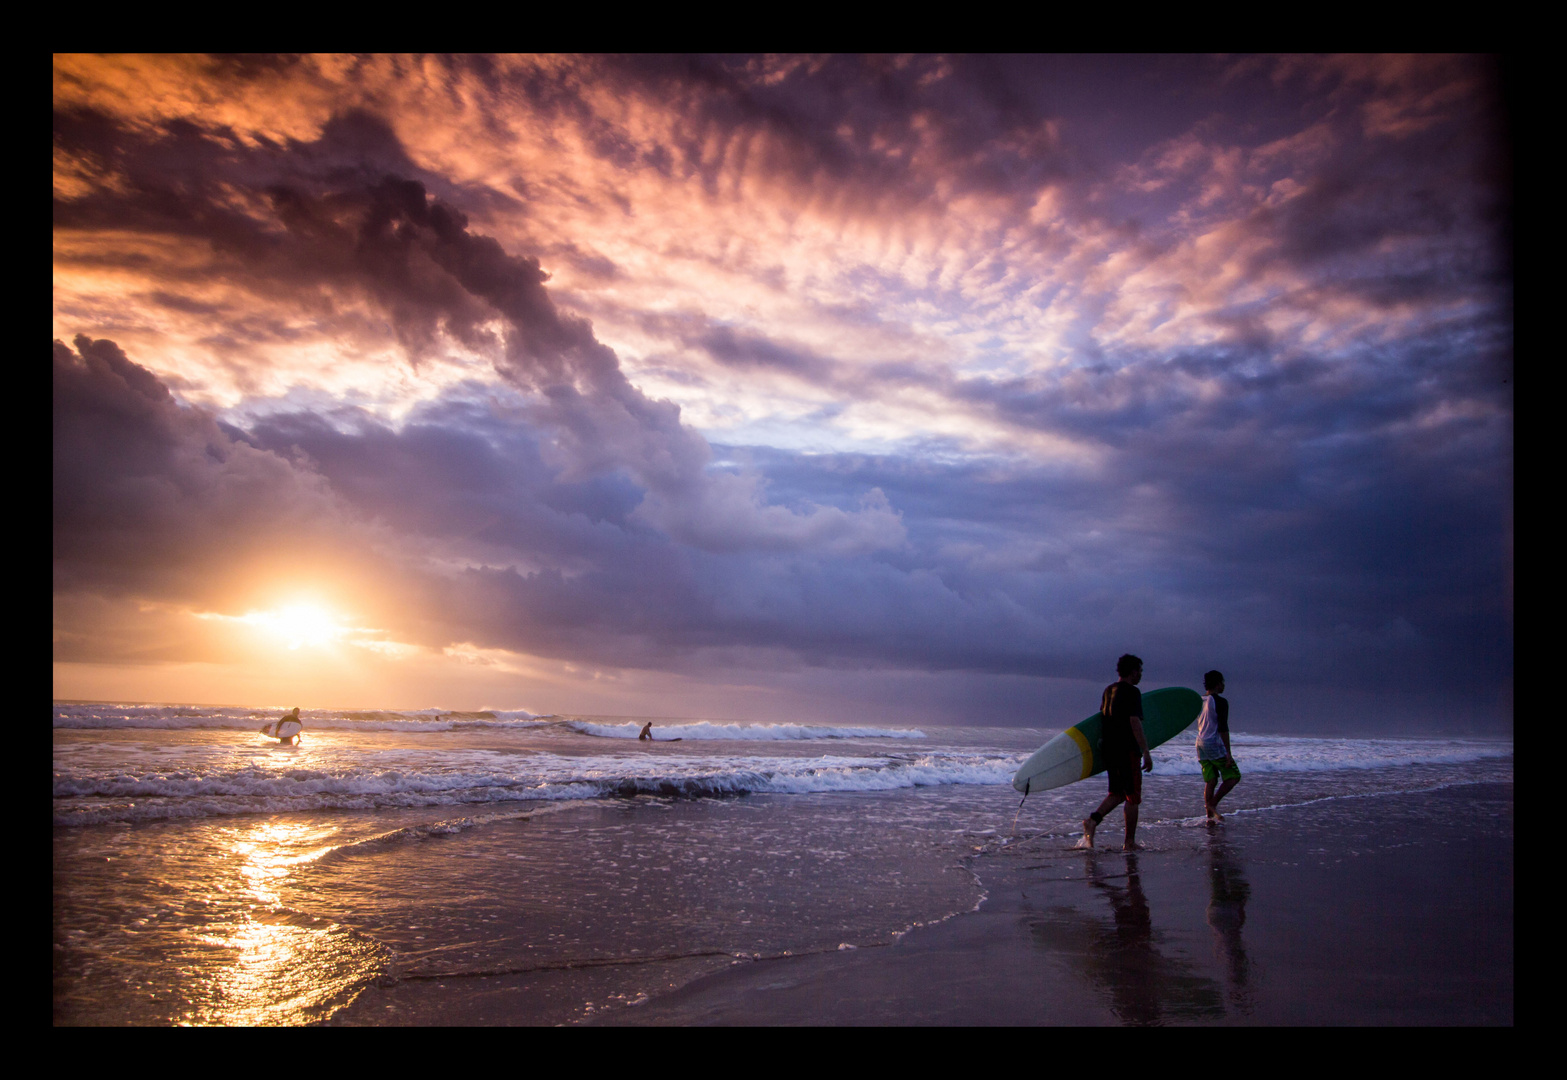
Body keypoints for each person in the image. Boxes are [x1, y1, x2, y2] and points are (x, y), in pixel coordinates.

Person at [1082, 654, 1154, 851]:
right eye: (1139, 671)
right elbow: (1134, 722)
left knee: (1117, 793)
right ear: (1133, 672)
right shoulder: (1132, 692)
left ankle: (1093, 821)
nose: (1140, 675)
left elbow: (1103, 720)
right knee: (1132, 796)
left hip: (1109, 749)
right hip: (1127, 749)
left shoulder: (1108, 690)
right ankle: (1129, 842)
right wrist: (1145, 751)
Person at [1195, 670, 1241, 820]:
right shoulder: (1220, 702)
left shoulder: (1199, 700)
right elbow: (1223, 728)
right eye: (1223, 682)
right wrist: (1228, 753)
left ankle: (1209, 817)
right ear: (1217, 683)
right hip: (1214, 743)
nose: (1224, 686)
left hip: (1200, 744)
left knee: (1211, 780)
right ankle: (1212, 804)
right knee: (1234, 776)